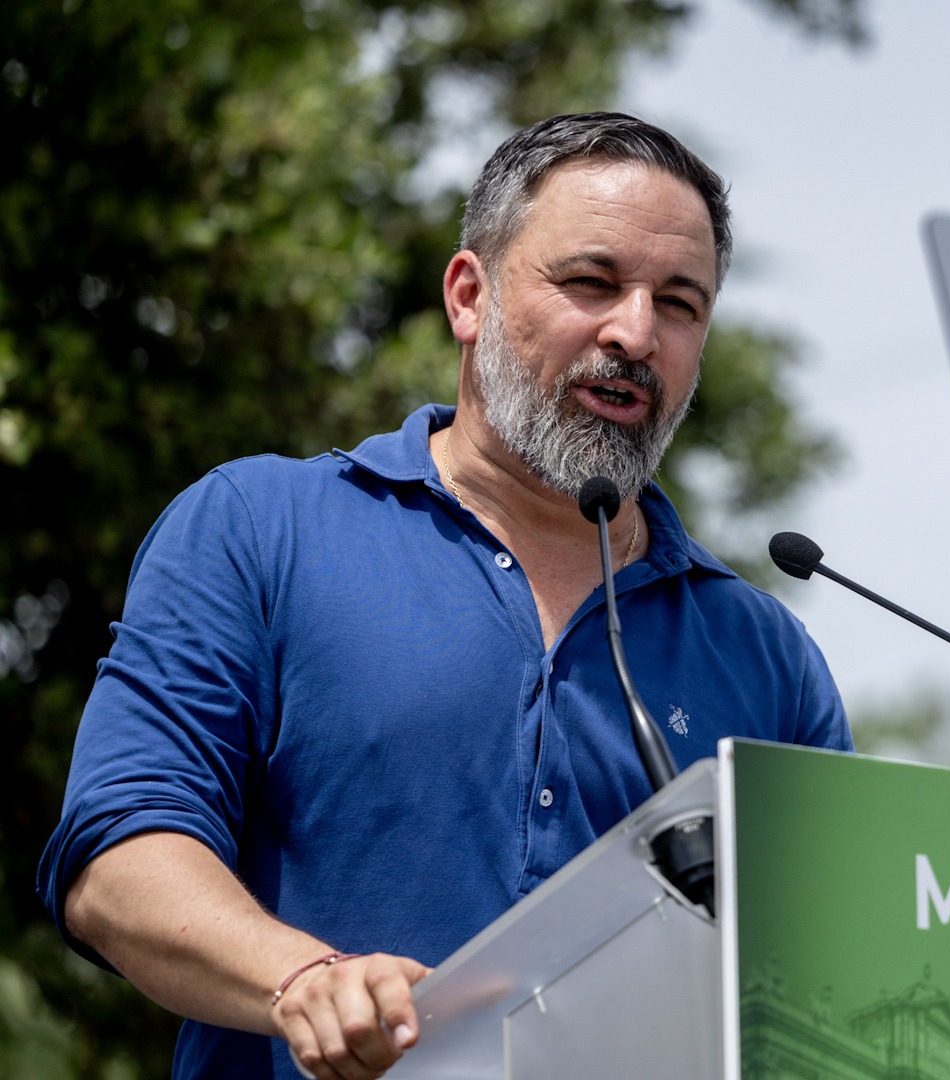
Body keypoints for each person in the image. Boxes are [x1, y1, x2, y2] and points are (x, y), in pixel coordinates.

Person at [37, 113, 851, 1080]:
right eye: (590, 282)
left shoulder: (762, 653)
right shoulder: (263, 528)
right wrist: (304, 979)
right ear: (469, 296)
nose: (636, 331)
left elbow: (828, 976)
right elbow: (118, 856)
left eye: (679, 303)